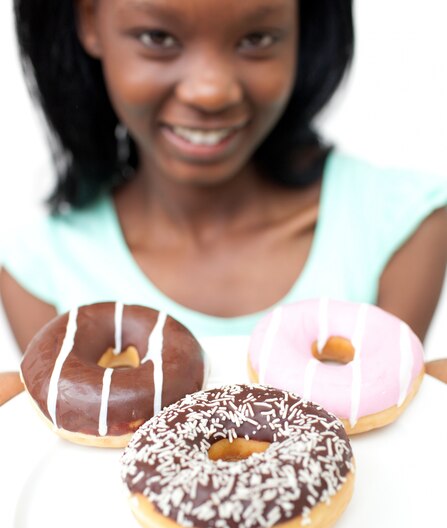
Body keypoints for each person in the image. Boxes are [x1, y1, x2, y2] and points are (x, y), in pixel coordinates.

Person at [1, 0, 447, 355]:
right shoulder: (37, 271)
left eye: (257, 38)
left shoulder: (403, 227)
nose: (211, 91)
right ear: (89, 18)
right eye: (158, 37)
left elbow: (381, 452)